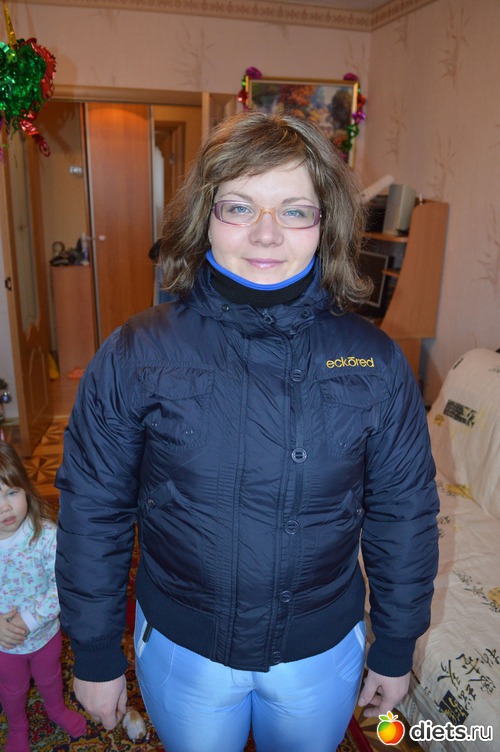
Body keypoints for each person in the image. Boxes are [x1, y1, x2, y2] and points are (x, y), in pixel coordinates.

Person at [55, 110, 439, 752]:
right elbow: (94, 507)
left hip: (319, 652)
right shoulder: (136, 352)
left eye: (294, 210)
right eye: (239, 207)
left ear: (326, 223)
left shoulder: (374, 361)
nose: (265, 233)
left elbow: (404, 511)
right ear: (205, 216)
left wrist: (396, 643)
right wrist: (94, 651)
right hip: (184, 651)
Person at [0, 441, 87, 752]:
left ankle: (56, 709)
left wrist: (29, 619)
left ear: (26, 489)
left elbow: (63, 584)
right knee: (12, 688)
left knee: (50, 677)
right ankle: (18, 726)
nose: (5, 507)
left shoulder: (46, 536)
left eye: (12, 492)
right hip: (5, 645)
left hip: (45, 634)